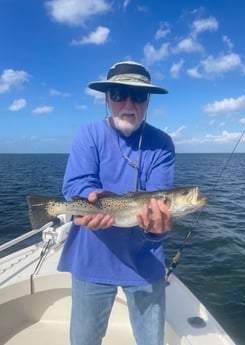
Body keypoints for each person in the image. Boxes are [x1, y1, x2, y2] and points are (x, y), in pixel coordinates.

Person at [58, 61, 175, 345]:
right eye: (119, 94)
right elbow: (76, 184)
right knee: (84, 340)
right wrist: (90, 197)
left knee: (152, 341)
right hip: (92, 256)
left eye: (139, 96)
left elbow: (158, 200)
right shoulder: (89, 134)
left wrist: (158, 226)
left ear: (147, 101)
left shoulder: (162, 144)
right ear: (107, 98)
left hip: (145, 260)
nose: (128, 103)